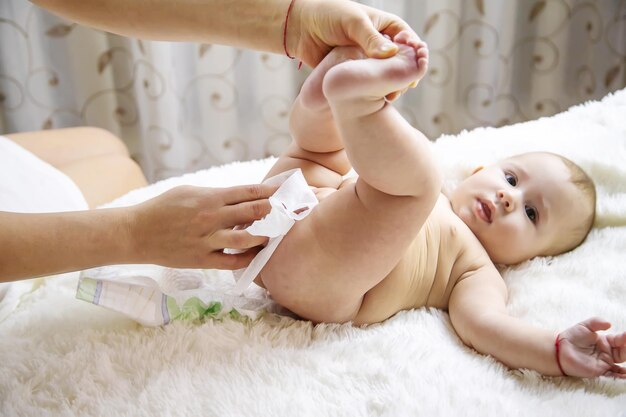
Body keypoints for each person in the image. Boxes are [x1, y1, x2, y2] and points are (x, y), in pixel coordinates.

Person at [250, 32, 626, 378]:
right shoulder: (439, 197)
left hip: (321, 279)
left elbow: (488, 328)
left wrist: (555, 350)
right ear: (479, 170)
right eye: (511, 178)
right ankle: (329, 100)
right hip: (279, 206)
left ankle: (354, 101)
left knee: (416, 185)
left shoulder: (477, 270)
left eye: (531, 214)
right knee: (326, 155)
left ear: (530, 257)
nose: (509, 197)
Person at [1, 0, 420, 282]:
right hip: (330, 269)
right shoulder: (470, 263)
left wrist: (291, 20)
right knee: (409, 193)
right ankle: (351, 104)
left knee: (108, 153)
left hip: (315, 232)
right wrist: (131, 233)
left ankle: (333, 99)